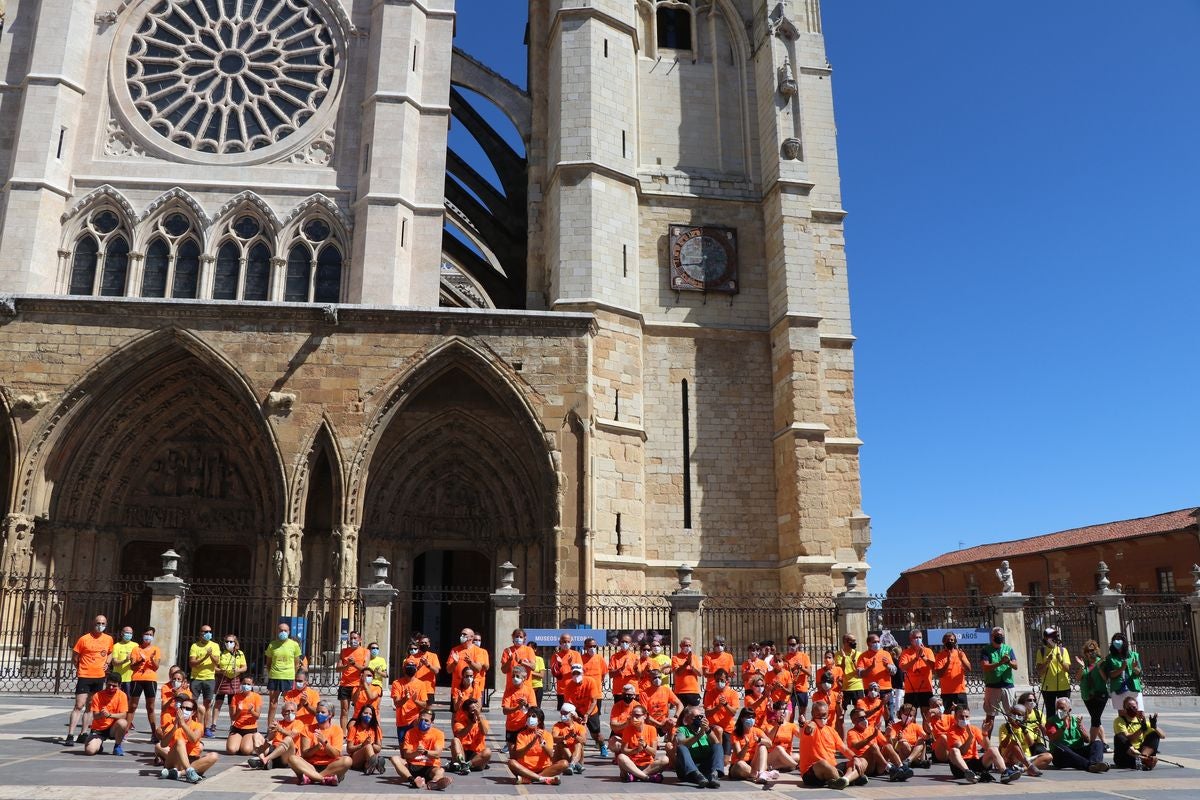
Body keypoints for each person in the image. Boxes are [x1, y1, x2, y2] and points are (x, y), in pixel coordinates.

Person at [940, 704, 1021, 784]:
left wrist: (985, 734)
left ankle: (1005, 772)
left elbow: (987, 748)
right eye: (961, 716)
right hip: (960, 767)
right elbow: (962, 752)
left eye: (966, 717)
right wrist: (970, 738)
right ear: (955, 717)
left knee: (993, 749)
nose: (964, 719)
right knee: (954, 750)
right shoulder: (952, 732)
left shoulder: (974, 729)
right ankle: (968, 773)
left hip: (974, 762)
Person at [65, 614, 113, 745]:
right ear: (93, 623)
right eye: (98, 623)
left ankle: (84, 733)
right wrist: (79, 667)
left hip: (99, 676)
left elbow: (110, 652)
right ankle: (70, 734)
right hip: (85, 675)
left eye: (103, 623)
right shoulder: (84, 639)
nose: (100, 625)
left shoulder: (108, 639)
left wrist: (107, 663)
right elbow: (75, 655)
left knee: (91, 706)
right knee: (79, 705)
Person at [798, 700, 866, 790]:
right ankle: (851, 778)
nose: (822, 718)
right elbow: (808, 728)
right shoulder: (809, 725)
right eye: (818, 715)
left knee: (862, 760)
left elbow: (844, 749)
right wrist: (807, 726)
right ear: (812, 714)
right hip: (812, 771)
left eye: (824, 715)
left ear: (828, 714)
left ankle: (844, 780)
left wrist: (854, 758)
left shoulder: (831, 730)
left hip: (833, 768)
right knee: (823, 763)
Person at [289, 700, 352, 786]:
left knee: (347, 760)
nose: (319, 714)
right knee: (292, 758)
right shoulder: (307, 729)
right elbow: (305, 754)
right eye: (318, 712)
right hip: (310, 766)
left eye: (323, 712)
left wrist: (325, 742)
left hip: (330, 766)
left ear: (330, 715)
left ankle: (312, 778)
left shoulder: (337, 730)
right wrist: (317, 747)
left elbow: (336, 754)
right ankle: (323, 779)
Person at [158, 696, 219, 783]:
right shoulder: (172, 723)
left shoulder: (198, 726)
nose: (184, 710)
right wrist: (175, 727)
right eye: (182, 707)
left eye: (188, 709)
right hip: (175, 759)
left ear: (193, 712)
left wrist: (183, 724)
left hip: (191, 759)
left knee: (214, 756)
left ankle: (179, 773)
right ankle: (190, 771)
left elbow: (193, 739)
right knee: (180, 741)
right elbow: (163, 744)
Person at [845, 706, 911, 781]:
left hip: (879, 764)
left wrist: (888, 735)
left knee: (887, 746)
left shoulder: (872, 729)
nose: (864, 719)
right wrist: (872, 736)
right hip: (866, 764)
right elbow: (856, 746)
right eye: (861, 718)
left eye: (865, 717)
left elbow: (888, 745)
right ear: (853, 721)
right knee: (874, 746)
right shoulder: (851, 732)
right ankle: (890, 769)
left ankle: (901, 767)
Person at [1045, 695, 1108, 772]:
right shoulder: (1051, 721)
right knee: (1060, 748)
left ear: (1069, 710)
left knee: (1098, 743)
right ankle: (1090, 765)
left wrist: (1080, 728)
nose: (1059, 711)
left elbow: (1087, 740)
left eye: (1062, 708)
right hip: (1063, 755)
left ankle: (1095, 763)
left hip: (1077, 752)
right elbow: (1052, 738)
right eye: (1057, 708)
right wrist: (1063, 726)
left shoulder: (1075, 720)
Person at [506, 706, 568, 785]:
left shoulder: (546, 734)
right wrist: (532, 742)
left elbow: (551, 754)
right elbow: (518, 755)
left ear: (539, 720)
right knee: (511, 762)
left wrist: (542, 743)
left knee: (564, 763)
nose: (530, 718)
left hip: (544, 769)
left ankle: (530, 779)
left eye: (533, 716)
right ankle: (542, 779)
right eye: (528, 716)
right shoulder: (521, 735)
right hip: (525, 770)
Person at [559, 661, 604, 757]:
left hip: (591, 711)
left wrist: (587, 714)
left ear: (582, 673)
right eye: (574, 673)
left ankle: (602, 745)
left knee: (596, 734)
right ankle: (576, 751)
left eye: (578, 673)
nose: (576, 675)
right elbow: (568, 704)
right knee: (576, 732)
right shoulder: (568, 686)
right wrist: (575, 715)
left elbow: (594, 701)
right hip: (577, 711)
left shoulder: (590, 681)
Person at [615, 703, 669, 782]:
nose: (634, 718)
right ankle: (646, 777)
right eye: (632, 715)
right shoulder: (628, 729)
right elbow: (624, 751)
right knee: (621, 757)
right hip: (632, 764)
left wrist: (645, 746)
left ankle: (637, 776)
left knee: (665, 759)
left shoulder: (651, 729)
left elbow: (653, 753)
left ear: (645, 716)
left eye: (637, 715)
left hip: (647, 765)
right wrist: (636, 750)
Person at [980, 626, 1018, 739]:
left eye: (1001, 635)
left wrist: (1008, 662)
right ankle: (986, 740)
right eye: (997, 635)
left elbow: (1015, 666)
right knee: (990, 715)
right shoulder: (986, 650)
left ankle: (1015, 738)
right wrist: (1000, 663)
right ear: (992, 637)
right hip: (992, 686)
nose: (999, 637)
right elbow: (985, 667)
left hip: (1008, 685)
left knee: (1011, 714)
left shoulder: (1008, 649)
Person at [728, 707, 780, 788]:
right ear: (742, 719)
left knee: (762, 746)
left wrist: (759, 740)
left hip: (753, 763)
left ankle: (762, 773)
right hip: (739, 766)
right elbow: (739, 757)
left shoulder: (757, 731)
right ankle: (761, 774)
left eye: (753, 717)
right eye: (748, 717)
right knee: (740, 764)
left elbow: (769, 743)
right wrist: (746, 746)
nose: (751, 719)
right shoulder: (735, 734)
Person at [673, 704, 723, 788]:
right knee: (681, 747)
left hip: (705, 767)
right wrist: (698, 735)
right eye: (696, 717)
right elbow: (681, 743)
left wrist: (707, 730)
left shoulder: (706, 730)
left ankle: (714, 774)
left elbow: (716, 743)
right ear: (687, 719)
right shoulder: (681, 729)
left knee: (717, 746)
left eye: (701, 717)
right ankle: (697, 774)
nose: (699, 720)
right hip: (689, 770)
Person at [247, 700, 306, 770]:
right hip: (274, 750)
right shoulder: (278, 723)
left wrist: (280, 729)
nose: (290, 713)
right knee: (256, 735)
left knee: (288, 739)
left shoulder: (298, 723)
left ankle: (264, 760)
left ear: (296, 712)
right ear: (282, 713)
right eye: (287, 711)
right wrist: (269, 736)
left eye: (292, 711)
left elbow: (292, 735)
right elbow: (268, 741)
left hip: (287, 754)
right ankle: (264, 760)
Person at [996, 702, 1051, 777]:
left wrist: (1025, 731)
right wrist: (1009, 733)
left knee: (1048, 756)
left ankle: (1023, 769)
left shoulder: (1026, 728)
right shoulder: (1004, 727)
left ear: (1024, 717)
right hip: (1009, 757)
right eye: (1014, 714)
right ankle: (1029, 767)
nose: (1016, 716)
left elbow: (1031, 745)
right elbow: (1004, 745)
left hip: (1025, 758)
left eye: (1019, 715)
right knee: (1014, 743)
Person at [83, 672, 130, 756]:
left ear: (119, 685)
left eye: (114, 686)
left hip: (113, 728)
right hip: (99, 729)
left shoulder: (122, 695)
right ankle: (98, 744)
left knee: (123, 722)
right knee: (90, 751)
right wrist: (101, 714)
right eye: (109, 685)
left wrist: (109, 715)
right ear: (106, 683)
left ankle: (117, 746)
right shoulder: (97, 695)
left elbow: (124, 715)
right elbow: (95, 716)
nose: (111, 688)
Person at [265, 622, 302, 724]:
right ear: (277, 632)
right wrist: (272, 672)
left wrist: (292, 674)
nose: (283, 632)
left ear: (289, 632)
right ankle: (270, 727)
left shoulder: (294, 645)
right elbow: (268, 662)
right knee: (273, 703)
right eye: (281, 630)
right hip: (274, 676)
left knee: (289, 704)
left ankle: (289, 725)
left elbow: (297, 662)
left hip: (288, 676)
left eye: (285, 630)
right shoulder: (272, 645)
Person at [1113, 695, 1165, 770]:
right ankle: (1143, 760)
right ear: (1124, 709)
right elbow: (1127, 738)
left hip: (1140, 753)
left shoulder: (1140, 721)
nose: (1132, 709)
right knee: (1119, 737)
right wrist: (1141, 730)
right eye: (1129, 707)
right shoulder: (1119, 721)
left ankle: (1143, 758)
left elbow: (1163, 736)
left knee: (1154, 734)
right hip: (1125, 754)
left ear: (1137, 708)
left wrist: (1155, 727)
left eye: (1134, 707)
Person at [187, 624, 221, 737]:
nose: (208, 633)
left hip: (209, 678)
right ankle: (193, 726)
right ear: (200, 633)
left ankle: (206, 728)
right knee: (193, 703)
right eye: (205, 631)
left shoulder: (215, 645)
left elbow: (217, 662)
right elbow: (192, 663)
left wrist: (210, 656)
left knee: (207, 704)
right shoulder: (194, 646)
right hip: (196, 678)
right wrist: (206, 656)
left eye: (210, 631)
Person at [391, 658, 433, 745]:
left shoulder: (421, 684)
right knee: (403, 752)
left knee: (414, 748)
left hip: (415, 722)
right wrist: (405, 699)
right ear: (404, 668)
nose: (411, 667)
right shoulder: (396, 683)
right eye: (408, 666)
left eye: (413, 666)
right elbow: (396, 703)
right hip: (402, 722)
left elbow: (424, 705)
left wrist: (415, 700)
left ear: (416, 668)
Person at [856, 633, 896, 723]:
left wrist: (888, 666)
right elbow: (859, 674)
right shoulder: (863, 656)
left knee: (889, 717)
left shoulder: (886, 654)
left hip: (886, 689)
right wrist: (871, 667)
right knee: (871, 717)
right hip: (871, 691)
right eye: (874, 642)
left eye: (878, 641)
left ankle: (889, 736)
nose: (877, 644)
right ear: (868, 644)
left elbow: (894, 671)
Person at [1076, 638, 1109, 747]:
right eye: (1088, 651)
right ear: (1085, 653)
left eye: (1092, 650)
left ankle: (1092, 744)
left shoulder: (1101, 661)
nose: (1091, 652)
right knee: (1096, 719)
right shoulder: (1083, 663)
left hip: (1100, 694)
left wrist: (1099, 667)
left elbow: (1105, 679)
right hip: (1087, 695)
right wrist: (1081, 667)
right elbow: (1078, 678)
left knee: (1095, 719)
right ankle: (1104, 743)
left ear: (1096, 650)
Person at [129, 627, 161, 738]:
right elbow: (132, 666)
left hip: (150, 679)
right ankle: (124, 732)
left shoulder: (156, 649)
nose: (148, 636)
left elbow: (156, 667)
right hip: (137, 679)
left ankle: (154, 733)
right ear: (142, 635)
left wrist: (151, 660)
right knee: (132, 706)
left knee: (150, 707)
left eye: (150, 634)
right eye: (146, 634)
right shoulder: (136, 649)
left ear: (153, 636)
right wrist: (140, 661)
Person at [580, 636, 609, 755]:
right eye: (590, 646)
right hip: (581, 696)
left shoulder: (599, 659)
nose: (592, 648)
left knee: (594, 725)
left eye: (594, 646)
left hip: (595, 696)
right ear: (585, 647)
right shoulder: (580, 659)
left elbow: (603, 674)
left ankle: (601, 744)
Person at [1101, 632, 1144, 711]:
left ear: (1124, 643)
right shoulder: (1110, 658)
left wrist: (1134, 668)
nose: (1117, 644)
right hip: (1119, 689)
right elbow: (1110, 675)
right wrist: (1122, 668)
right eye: (1115, 642)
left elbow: (1140, 673)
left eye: (1119, 641)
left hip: (1133, 687)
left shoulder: (1134, 655)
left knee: (1139, 713)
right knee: (1123, 714)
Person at [899, 630, 935, 722]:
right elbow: (903, 668)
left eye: (920, 637)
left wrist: (923, 656)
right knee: (910, 717)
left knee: (927, 716)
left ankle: (927, 735)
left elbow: (933, 666)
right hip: (911, 690)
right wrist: (915, 659)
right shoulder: (906, 652)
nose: (918, 639)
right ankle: (912, 735)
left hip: (926, 689)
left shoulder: (928, 651)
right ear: (911, 640)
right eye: (916, 638)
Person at [449, 697, 492, 774]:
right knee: (455, 740)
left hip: (476, 755)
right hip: (463, 753)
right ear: (466, 712)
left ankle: (466, 766)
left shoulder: (482, 721)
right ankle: (461, 762)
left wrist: (478, 717)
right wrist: (471, 723)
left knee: (488, 751)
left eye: (476, 710)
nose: (475, 712)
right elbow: (460, 734)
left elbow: (485, 732)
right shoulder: (459, 723)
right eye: (472, 711)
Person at [1035, 626, 1072, 715]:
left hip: (1063, 687)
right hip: (1048, 688)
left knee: (1063, 713)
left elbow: (1067, 669)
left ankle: (1063, 729)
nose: (1055, 638)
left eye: (1056, 635)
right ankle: (1051, 729)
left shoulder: (1063, 650)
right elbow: (1040, 671)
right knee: (1050, 713)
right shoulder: (1041, 651)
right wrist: (1047, 661)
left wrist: (1061, 660)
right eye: (1052, 636)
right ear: (1046, 638)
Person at [213, 633, 247, 728]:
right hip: (223, 679)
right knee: (218, 702)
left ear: (235, 643)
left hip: (234, 679)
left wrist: (238, 670)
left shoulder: (239, 654)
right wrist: (221, 671)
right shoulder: (220, 653)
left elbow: (244, 667)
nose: (228, 643)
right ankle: (214, 723)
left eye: (231, 641)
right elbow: (215, 668)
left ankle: (233, 722)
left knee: (232, 703)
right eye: (227, 641)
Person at [224, 675, 264, 756]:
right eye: (244, 683)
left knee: (246, 751)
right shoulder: (236, 697)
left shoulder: (257, 697)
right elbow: (233, 717)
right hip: (237, 728)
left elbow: (257, 716)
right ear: (241, 684)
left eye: (249, 684)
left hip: (250, 729)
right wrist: (239, 710)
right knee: (231, 750)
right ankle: (237, 742)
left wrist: (251, 711)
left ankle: (246, 742)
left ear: (252, 685)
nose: (246, 686)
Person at [446, 627, 486, 707]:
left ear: (471, 637)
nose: (462, 636)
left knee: (474, 713)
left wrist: (471, 662)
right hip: (457, 688)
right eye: (461, 634)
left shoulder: (478, 651)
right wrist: (455, 663)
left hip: (473, 689)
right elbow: (448, 670)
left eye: (464, 634)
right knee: (456, 714)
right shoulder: (455, 650)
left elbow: (478, 668)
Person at [338, 630, 369, 730]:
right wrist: (347, 665)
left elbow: (365, 669)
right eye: (351, 638)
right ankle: (343, 734)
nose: (353, 640)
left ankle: (358, 731)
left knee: (359, 710)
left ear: (360, 639)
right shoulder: (344, 651)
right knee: (344, 710)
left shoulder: (365, 651)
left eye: (355, 638)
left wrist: (354, 664)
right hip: (345, 684)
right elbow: (338, 668)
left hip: (358, 685)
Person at [641, 668, 684, 740]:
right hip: (651, 722)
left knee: (672, 723)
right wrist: (659, 724)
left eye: (659, 677)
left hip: (664, 722)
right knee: (653, 746)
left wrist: (675, 717)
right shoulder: (644, 693)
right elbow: (645, 714)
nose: (657, 679)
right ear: (649, 678)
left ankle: (670, 742)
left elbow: (680, 705)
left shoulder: (666, 690)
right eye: (655, 677)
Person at [933, 631, 970, 712]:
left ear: (955, 641)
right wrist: (947, 663)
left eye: (952, 640)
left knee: (962, 715)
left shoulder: (960, 653)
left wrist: (962, 659)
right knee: (946, 717)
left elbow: (969, 669)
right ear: (944, 642)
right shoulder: (940, 656)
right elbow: (939, 674)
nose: (950, 642)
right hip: (946, 692)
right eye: (947, 640)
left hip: (960, 691)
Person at [703, 668, 740, 750]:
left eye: (722, 680)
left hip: (728, 729)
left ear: (727, 680)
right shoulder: (709, 693)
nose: (719, 682)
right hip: (713, 727)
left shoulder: (733, 693)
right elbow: (707, 713)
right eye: (717, 680)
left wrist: (725, 704)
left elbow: (733, 713)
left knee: (726, 760)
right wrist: (717, 707)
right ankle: (718, 755)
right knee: (718, 730)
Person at [501, 665, 537, 749]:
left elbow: (534, 709)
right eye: (513, 676)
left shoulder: (529, 690)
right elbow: (505, 711)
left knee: (522, 751)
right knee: (512, 754)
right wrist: (518, 707)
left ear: (524, 678)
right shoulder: (508, 690)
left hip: (525, 726)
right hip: (511, 726)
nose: (514, 678)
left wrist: (526, 705)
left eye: (517, 676)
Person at [110, 625, 138, 727]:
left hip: (131, 678)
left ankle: (128, 720)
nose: (128, 635)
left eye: (130, 633)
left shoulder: (135, 646)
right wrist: (125, 660)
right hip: (119, 678)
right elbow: (114, 662)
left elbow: (137, 660)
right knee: (116, 699)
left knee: (129, 701)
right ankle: (115, 718)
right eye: (127, 632)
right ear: (122, 633)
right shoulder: (117, 646)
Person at [834, 634, 863, 733]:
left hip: (857, 686)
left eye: (855, 640)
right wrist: (843, 658)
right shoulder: (838, 654)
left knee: (860, 715)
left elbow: (859, 671)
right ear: (846, 642)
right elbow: (839, 670)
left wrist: (854, 659)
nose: (854, 642)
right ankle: (842, 740)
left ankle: (859, 736)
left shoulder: (858, 654)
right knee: (840, 716)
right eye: (852, 640)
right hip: (844, 688)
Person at [887, 702, 929, 768]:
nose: (908, 717)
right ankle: (916, 762)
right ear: (901, 714)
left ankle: (909, 760)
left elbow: (926, 737)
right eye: (906, 714)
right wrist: (897, 738)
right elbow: (892, 742)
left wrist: (928, 731)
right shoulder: (894, 726)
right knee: (903, 742)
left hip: (914, 750)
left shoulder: (916, 726)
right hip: (903, 751)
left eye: (910, 716)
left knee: (921, 740)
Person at [782, 635, 813, 723]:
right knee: (790, 716)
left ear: (798, 645)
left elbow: (810, 673)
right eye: (789, 644)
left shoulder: (804, 656)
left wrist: (801, 668)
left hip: (802, 689)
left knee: (802, 717)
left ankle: (802, 735)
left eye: (793, 644)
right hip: (791, 690)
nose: (791, 646)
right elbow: (784, 674)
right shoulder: (786, 658)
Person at [347, 705, 385, 774]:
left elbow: (379, 748)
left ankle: (369, 765)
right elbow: (349, 749)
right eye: (365, 713)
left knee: (369, 746)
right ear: (361, 714)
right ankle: (376, 764)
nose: (368, 715)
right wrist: (362, 745)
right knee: (367, 747)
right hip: (356, 758)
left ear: (373, 716)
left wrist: (372, 744)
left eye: (370, 714)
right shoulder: (354, 728)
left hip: (368, 757)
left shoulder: (376, 729)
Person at [763, 700, 800, 771]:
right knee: (779, 748)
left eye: (785, 709)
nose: (784, 711)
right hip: (772, 755)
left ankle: (774, 767)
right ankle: (796, 766)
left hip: (787, 755)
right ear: (775, 711)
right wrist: (777, 725)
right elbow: (769, 739)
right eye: (781, 709)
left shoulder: (791, 725)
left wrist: (802, 725)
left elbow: (800, 736)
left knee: (797, 756)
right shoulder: (769, 726)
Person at [405, 633, 442, 702]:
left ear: (429, 644)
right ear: (418, 644)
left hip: (429, 689)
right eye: (422, 643)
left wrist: (428, 664)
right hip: (416, 688)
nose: (424, 644)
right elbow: (408, 673)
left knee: (427, 712)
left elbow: (436, 671)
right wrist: (418, 667)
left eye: (425, 642)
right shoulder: (412, 657)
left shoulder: (433, 656)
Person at [551, 702, 587, 773]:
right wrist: (565, 737)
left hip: (578, 757)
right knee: (561, 744)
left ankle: (573, 764)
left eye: (565, 713)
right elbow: (553, 738)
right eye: (561, 713)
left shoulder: (579, 727)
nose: (562, 715)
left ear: (572, 714)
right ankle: (574, 765)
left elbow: (584, 741)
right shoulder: (557, 726)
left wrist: (575, 736)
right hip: (563, 758)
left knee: (579, 743)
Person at [549, 633, 583, 706]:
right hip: (562, 690)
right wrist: (559, 665)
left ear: (571, 642)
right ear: (560, 643)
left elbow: (580, 672)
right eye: (564, 642)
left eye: (568, 642)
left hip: (575, 689)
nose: (566, 644)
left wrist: (571, 664)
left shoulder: (576, 654)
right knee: (564, 714)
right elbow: (556, 675)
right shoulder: (556, 656)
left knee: (576, 713)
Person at [608, 681, 640, 755]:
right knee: (614, 743)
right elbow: (613, 726)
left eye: (630, 695)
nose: (627, 697)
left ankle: (631, 754)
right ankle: (618, 755)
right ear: (622, 695)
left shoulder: (637, 706)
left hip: (633, 734)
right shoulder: (617, 706)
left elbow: (640, 725)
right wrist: (626, 724)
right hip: (619, 734)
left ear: (634, 695)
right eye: (625, 694)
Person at [672, 637, 703, 708]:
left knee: (694, 714)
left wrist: (692, 667)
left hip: (693, 691)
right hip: (680, 691)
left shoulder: (694, 657)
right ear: (681, 646)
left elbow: (700, 674)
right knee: (682, 715)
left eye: (689, 645)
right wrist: (686, 664)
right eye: (686, 645)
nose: (688, 647)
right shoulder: (675, 658)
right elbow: (677, 673)